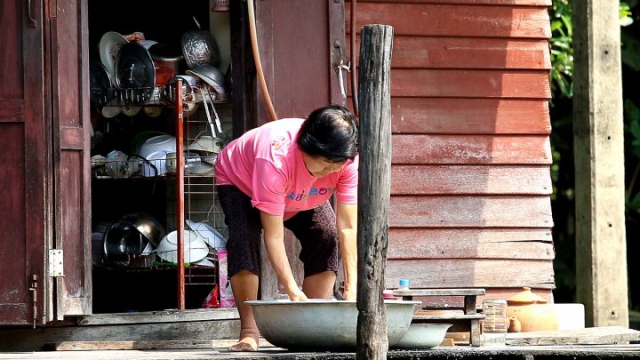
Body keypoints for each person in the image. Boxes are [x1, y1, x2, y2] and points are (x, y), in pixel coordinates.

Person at [214, 104, 359, 351]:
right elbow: (273, 235)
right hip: (242, 181)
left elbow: (347, 227)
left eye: (336, 167)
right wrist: (291, 290)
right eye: (325, 165)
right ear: (306, 146)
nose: (330, 172)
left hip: (301, 194)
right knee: (243, 238)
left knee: (326, 235)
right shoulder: (275, 157)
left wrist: (353, 289)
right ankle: (249, 331)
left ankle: (313, 325)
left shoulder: (345, 162)